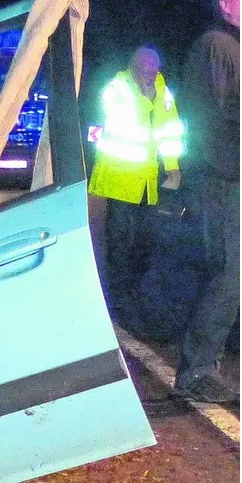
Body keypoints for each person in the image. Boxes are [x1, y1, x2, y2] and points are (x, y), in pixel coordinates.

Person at [172, 0, 241, 405]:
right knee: (232, 273)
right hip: (224, 181)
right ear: (225, 4)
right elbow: (214, 120)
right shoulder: (216, 46)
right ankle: (196, 369)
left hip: (229, 177)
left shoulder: (233, 46)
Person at [87, 46, 185, 323]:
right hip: (119, 180)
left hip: (147, 182)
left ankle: (134, 299)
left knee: (145, 244)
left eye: (154, 72)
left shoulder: (164, 92)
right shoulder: (117, 90)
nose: (149, 77)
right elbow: (97, 127)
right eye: (144, 72)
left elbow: (170, 131)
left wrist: (173, 166)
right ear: (132, 69)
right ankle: (118, 304)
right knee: (119, 244)